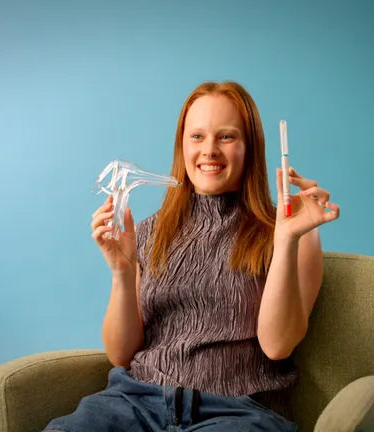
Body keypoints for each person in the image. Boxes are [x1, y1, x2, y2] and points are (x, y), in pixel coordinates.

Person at [44, 81, 340, 432]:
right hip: (136, 402)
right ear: (181, 146)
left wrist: (287, 238)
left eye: (226, 137)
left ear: (250, 148)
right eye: (197, 136)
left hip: (237, 413)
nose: (209, 150)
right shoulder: (151, 230)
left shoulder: (292, 233)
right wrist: (122, 272)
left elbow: (277, 346)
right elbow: (121, 355)